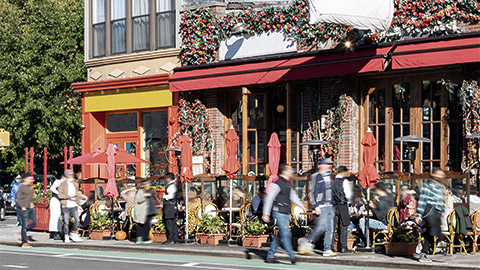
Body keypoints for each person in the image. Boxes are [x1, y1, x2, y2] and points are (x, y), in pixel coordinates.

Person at [262, 164, 305, 264]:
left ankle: (270, 255)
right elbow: (269, 198)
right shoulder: (277, 183)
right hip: (278, 211)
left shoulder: (287, 183)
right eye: (290, 170)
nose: (292, 171)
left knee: (281, 234)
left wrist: (301, 205)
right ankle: (292, 256)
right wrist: (266, 213)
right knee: (286, 234)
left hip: (285, 211)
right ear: (284, 171)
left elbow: (292, 196)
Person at [297, 158, 337, 257]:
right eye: (327, 164)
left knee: (330, 229)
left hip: (330, 206)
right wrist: (316, 206)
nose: (329, 166)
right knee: (320, 227)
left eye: (330, 164)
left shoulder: (330, 177)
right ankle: (305, 240)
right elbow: (312, 192)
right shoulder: (316, 176)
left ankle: (327, 249)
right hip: (321, 206)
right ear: (321, 165)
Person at [416, 168, 447, 263]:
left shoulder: (441, 186)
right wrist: (419, 214)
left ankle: (423, 254)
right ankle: (442, 243)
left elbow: (441, 200)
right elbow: (423, 199)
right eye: (439, 174)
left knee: (429, 233)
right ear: (434, 175)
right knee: (435, 231)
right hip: (430, 210)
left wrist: (442, 209)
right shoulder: (428, 185)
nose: (441, 177)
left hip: (437, 211)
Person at [58, 170, 83, 243]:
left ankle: (73, 233)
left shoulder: (74, 184)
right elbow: (60, 195)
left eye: (72, 174)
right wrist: (68, 196)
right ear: (66, 175)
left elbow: (77, 194)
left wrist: (79, 204)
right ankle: (66, 235)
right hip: (66, 205)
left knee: (77, 220)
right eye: (70, 174)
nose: (71, 175)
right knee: (66, 222)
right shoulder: (63, 184)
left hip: (74, 205)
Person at [332, 166, 353, 253]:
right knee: (343, 226)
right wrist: (350, 203)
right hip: (342, 205)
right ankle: (343, 247)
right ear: (343, 172)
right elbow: (348, 195)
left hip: (333, 206)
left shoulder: (331, 181)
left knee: (332, 227)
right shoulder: (345, 181)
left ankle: (330, 246)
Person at [134, 180, 158, 244]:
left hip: (147, 211)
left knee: (146, 225)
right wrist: (145, 196)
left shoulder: (148, 191)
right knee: (141, 225)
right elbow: (139, 200)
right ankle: (140, 239)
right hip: (141, 212)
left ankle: (145, 239)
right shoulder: (140, 191)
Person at [16, 173, 36, 248]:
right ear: (25, 179)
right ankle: (24, 242)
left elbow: (28, 197)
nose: (31, 180)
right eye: (29, 179)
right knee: (24, 225)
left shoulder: (28, 187)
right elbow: (18, 198)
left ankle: (22, 234)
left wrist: (31, 203)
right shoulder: (21, 187)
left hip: (29, 207)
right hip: (23, 208)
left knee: (34, 222)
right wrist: (22, 206)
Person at [162, 173, 178, 245]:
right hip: (172, 207)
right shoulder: (173, 185)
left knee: (170, 223)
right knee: (173, 223)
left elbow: (170, 196)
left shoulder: (171, 186)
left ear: (169, 178)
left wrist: (164, 196)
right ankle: (175, 238)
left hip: (170, 207)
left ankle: (170, 239)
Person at [48, 176, 63, 240]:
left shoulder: (62, 183)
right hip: (55, 200)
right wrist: (59, 194)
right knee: (56, 216)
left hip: (56, 200)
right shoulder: (59, 182)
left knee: (56, 216)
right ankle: (55, 232)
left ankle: (53, 232)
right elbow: (52, 188)